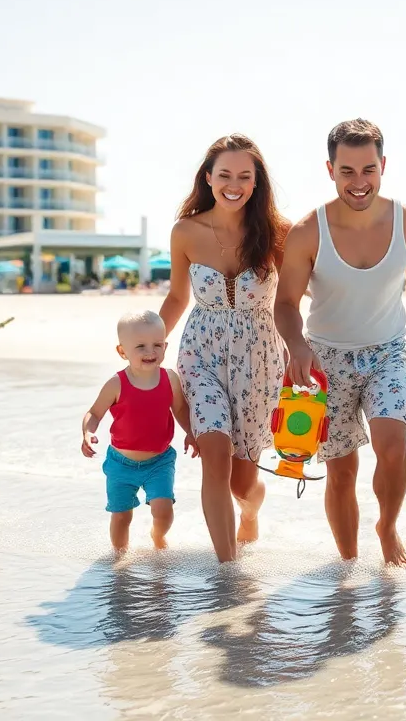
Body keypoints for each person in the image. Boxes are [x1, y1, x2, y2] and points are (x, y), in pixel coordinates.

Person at [275, 118, 406, 566]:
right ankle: (348, 569)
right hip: (325, 360)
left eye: (368, 169)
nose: (359, 181)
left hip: (388, 353)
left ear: (383, 165)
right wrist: (297, 346)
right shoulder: (308, 231)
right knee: (342, 471)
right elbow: (286, 303)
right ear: (330, 170)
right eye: (347, 171)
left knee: (392, 445)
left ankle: (387, 527)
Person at [159, 134, 290, 563]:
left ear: (256, 182)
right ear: (208, 178)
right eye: (225, 175)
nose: (234, 185)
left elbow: (297, 298)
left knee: (242, 483)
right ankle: (227, 570)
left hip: (260, 357)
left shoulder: (278, 233)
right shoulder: (186, 231)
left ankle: (250, 512)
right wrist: (151, 341)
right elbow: (177, 297)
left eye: (244, 176)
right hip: (202, 353)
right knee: (214, 455)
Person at [80, 310, 197, 555]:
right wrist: (88, 433)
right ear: (122, 351)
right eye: (141, 346)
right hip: (121, 464)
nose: (150, 352)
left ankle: (158, 536)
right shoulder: (116, 383)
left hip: (160, 461)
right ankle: (119, 560)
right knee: (121, 516)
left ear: (165, 347)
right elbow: (94, 413)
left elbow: (180, 409)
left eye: (157, 345)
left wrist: (190, 432)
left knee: (164, 510)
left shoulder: (169, 379)